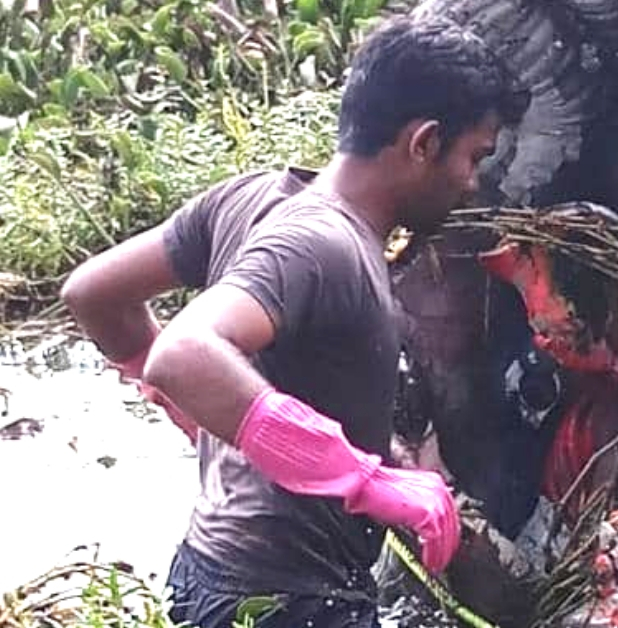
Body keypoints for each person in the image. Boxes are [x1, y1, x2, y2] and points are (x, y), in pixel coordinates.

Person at [60, 14, 529, 628]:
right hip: (283, 599)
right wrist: (362, 480)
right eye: (474, 157)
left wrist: (211, 406)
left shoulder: (250, 196)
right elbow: (184, 351)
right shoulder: (323, 245)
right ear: (423, 143)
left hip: (209, 570)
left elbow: (92, 291)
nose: (472, 183)